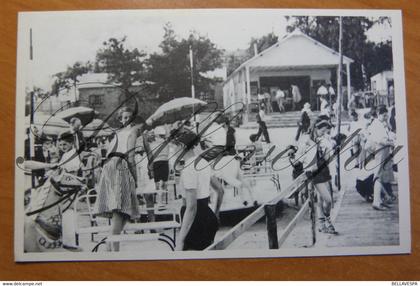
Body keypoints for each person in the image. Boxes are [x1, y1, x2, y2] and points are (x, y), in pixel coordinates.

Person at [93, 107, 141, 251]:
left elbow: (109, 152)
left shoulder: (118, 133)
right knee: (120, 210)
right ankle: (115, 251)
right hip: (120, 166)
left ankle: (110, 247)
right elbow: (131, 157)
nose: (126, 120)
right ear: (120, 119)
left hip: (110, 166)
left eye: (129, 117)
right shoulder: (132, 132)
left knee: (121, 210)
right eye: (124, 118)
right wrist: (135, 177)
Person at [171, 129, 222, 251]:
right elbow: (220, 189)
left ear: (182, 146)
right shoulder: (203, 162)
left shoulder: (189, 168)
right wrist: (216, 213)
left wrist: (181, 239)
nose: (172, 151)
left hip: (195, 221)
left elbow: (191, 206)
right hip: (208, 217)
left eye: (174, 147)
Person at [306, 115, 337, 234]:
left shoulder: (323, 139)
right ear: (315, 128)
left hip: (324, 170)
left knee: (321, 199)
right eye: (322, 131)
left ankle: (322, 224)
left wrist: (328, 147)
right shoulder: (308, 139)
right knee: (328, 199)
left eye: (325, 131)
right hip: (314, 173)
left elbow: (327, 157)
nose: (323, 133)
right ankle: (328, 221)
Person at [366, 106, 396, 211]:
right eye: (384, 115)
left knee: (382, 175)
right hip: (381, 150)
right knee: (378, 175)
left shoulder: (381, 124)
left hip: (385, 150)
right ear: (379, 113)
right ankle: (376, 202)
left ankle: (381, 200)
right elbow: (381, 140)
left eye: (386, 115)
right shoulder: (376, 125)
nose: (386, 117)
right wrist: (392, 143)